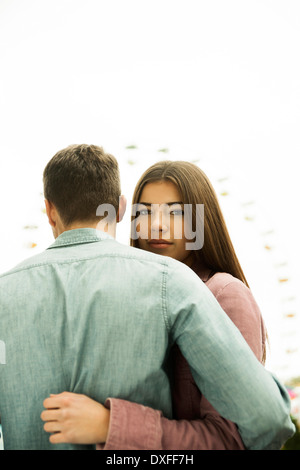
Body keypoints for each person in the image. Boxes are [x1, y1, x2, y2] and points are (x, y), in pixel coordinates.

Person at [0, 145, 294, 450]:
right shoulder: (143, 290)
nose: (157, 225)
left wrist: (109, 425)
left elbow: (244, 434)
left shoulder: (222, 294)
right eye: (146, 213)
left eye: (176, 213)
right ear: (125, 212)